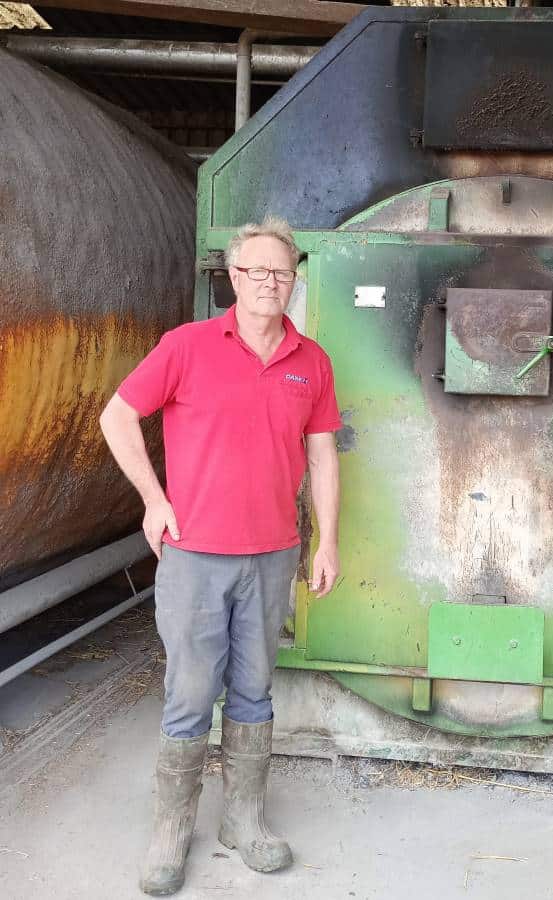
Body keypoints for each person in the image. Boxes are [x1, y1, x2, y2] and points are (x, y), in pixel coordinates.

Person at [99, 216, 341, 896]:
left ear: (295, 279)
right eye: (256, 271)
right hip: (196, 557)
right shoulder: (188, 346)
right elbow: (116, 416)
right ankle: (172, 829)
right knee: (190, 693)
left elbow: (323, 454)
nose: (270, 283)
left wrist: (328, 540)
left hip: (272, 556)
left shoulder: (311, 361)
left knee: (256, 690)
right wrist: (153, 498)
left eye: (282, 272)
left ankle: (243, 821)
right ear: (233, 277)